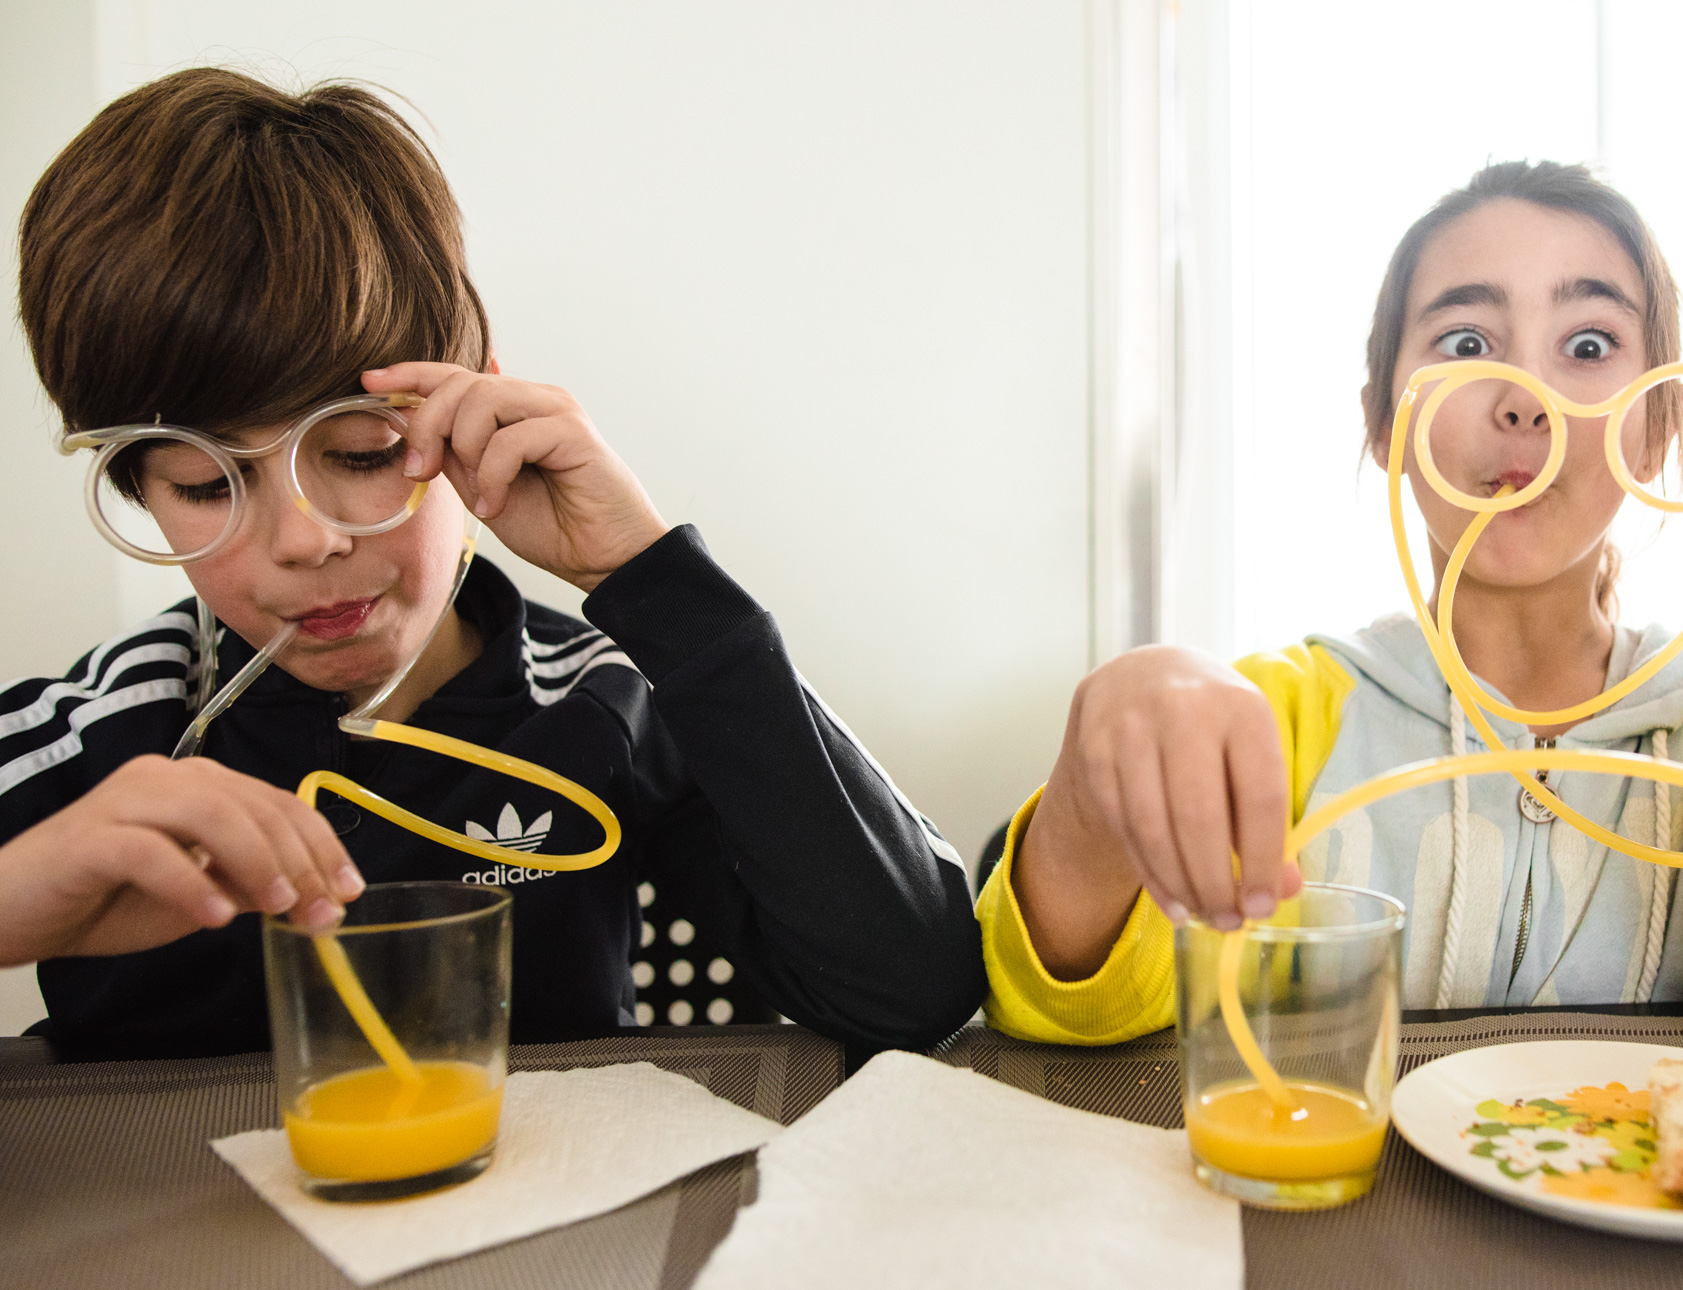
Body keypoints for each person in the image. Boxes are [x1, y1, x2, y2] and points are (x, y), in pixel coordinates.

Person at [1, 68, 984, 1058]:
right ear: (136, 489)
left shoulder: (602, 709)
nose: (305, 539)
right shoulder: (85, 745)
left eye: (360, 454)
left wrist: (650, 579)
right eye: (206, 485)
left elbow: (908, 991)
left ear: (469, 411)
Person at [978, 161, 1683, 1099]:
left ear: (1658, 423)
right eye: (1466, 343)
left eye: (1588, 346)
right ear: (1383, 422)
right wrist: (1102, 747)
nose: (1524, 399)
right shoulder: (1273, 719)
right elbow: (1059, 1006)